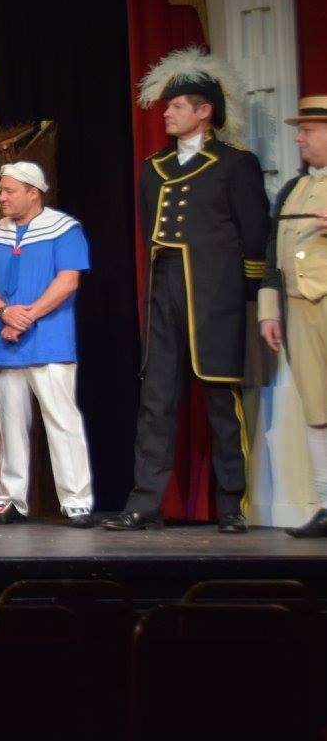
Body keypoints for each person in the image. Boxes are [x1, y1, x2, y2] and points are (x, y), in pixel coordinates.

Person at [106, 48, 270, 533]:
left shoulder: (234, 164)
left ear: (204, 111)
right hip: (164, 287)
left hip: (215, 293)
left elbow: (254, 231)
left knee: (222, 400)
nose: (167, 113)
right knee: (155, 399)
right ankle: (144, 503)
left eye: (178, 106)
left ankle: (231, 505)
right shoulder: (154, 168)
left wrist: (248, 293)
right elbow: (147, 229)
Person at [0, 162, 95, 527]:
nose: (2, 197)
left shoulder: (63, 230)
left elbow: (68, 281)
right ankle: (11, 498)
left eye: (9, 191)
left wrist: (27, 316)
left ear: (33, 193)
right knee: (10, 423)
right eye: (2, 190)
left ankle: (76, 499)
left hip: (50, 341)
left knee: (62, 420)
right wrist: (5, 311)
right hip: (6, 341)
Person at [259, 95, 327, 537]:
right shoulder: (292, 190)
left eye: (308, 130)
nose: (299, 138)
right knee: (317, 408)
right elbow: (271, 256)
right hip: (300, 312)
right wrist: (270, 310)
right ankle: (326, 504)